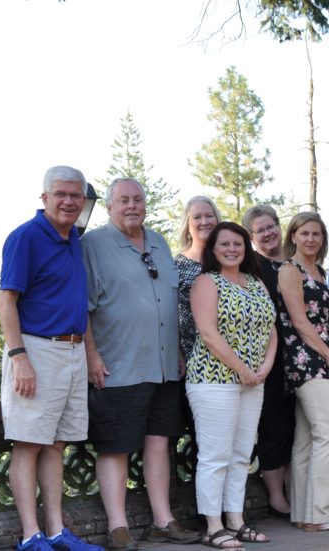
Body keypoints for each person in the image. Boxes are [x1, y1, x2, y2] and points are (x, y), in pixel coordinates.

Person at [82, 179, 200, 550]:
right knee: (115, 447)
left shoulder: (160, 242)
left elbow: (168, 300)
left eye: (137, 199)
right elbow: (80, 306)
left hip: (164, 365)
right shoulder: (93, 245)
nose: (132, 206)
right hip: (119, 364)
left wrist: (177, 351)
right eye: (123, 200)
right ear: (110, 207)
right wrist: (92, 355)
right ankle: (119, 527)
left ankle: (163, 520)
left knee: (159, 442)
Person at [0, 166, 103, 551]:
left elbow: (79, 303)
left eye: (76, 195)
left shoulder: (74, 238)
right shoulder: (26, 238)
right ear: (44, 197)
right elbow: (6, 301)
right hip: (36, 350)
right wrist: (19, 358)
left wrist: (91, 354)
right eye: (61, 194)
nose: (70, 201)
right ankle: (31, 536)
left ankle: (57, 532)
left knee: (57, 443)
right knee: (28, 443)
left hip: (73, 351)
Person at [186, 222, 277, 548]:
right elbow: (208, 334)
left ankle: (235, 521)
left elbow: (271, 328)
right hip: (214, 381)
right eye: (224, 244)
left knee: (241, 455)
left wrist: (264, 367)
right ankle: (213, 526)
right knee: (215, 456)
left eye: (237, 243)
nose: (232, 249)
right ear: (213, 249)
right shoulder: (206, 282)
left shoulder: (256, 283)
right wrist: (242, 369)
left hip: (253, 381)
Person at [276, 212, 329, 532]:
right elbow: (300, 322)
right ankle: (320, 513)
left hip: (320, 357)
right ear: (293, 236)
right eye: (304, 233)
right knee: (328, 433)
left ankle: (304, 515)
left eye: (316, 234)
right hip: (302, 358)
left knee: (307, 438)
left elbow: (325, 321)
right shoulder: (289, 270)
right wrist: (327, 356)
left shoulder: (319, 271)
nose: (310, 239)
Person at [242, 205, 294, 519]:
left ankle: (291, 491)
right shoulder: (253, 267)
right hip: (268, 356)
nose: (268, 233)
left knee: (292, 426)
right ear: (251, 236)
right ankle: (276, 496)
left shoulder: (290, 262)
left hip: (297, 356)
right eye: (260, 230)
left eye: (271, 226)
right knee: (273, 426)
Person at [176, 196, 221, 362]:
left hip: (236, 353)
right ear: (187, 225)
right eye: (197, 217)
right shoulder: (176, 265)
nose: (205, 221)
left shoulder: (230, 260)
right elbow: (170, 313)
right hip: (194, 358)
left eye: (209, 216)